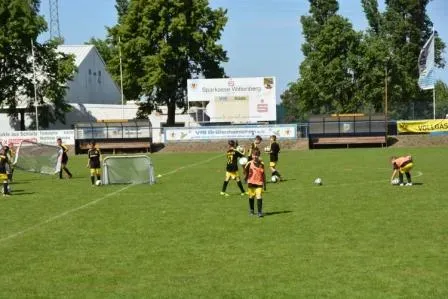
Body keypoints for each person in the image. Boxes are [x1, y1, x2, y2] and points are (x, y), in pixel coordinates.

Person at [244, 148, 266, 217]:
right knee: (251, 196)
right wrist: (246, 178)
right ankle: (252, 210)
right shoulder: (249, 163)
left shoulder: (262, 164)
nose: (255, 156)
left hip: (259, 183)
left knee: (259, 196)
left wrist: (265, 184)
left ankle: (259, 212)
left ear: (259, 156)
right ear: (252, 155)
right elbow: (245, 172)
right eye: (254, 155)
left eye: (257, 155)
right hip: (251, 183)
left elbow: (263, 174)